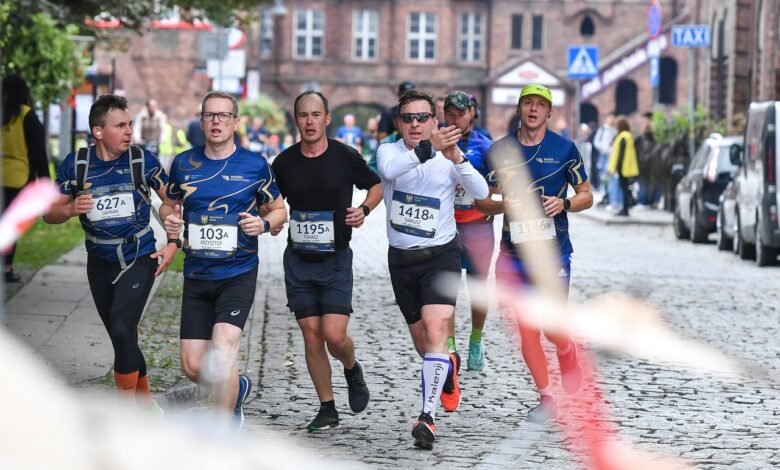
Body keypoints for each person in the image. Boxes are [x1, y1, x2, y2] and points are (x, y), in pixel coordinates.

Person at [161, 91, 287, 429]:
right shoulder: (184, 163)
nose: (216, 122)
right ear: (201, 121)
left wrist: (262, 223)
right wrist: (169, 221)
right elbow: (168, 206)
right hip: (198, 274)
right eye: (210, 115)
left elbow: (279, 211)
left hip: (238, 272)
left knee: (222, 350)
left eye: (223, 116)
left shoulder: (255, 165)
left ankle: (221, 441)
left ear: (235, 122)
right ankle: (236, 387)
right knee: (192, 365)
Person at [44, 94, 179, 409]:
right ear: (99, 132)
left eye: (130, 124)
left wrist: (173, 232)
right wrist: (69, 210)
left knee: (121, 328)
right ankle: (147, 410)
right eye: (121, 125)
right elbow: (48, 213)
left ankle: (127, 416)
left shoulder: (140, 160)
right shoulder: (76, 165)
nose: (129, 131)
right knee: (124, 337)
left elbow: (170, 200)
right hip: (99, 262)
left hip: (139, 256)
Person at [376, 90, 489, 449]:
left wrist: (456, 157)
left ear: (434, 121)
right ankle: (448, 367)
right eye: (408, 118)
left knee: (437, 326)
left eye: (422, 118)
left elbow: (481, 191)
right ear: (398, 122)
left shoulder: (447, 157)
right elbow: (391, 171)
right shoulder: (389, 152)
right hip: (402, 261)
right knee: (424, 346)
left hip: (441, 255)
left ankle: (427, 416)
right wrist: (430, 149)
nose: (414, 124)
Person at [272, 90, 382, 432]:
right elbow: (271, 202)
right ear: (296, 120)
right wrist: (271, 217)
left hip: (335, 258)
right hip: (299, 260)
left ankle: (352, 368)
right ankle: (327, 406)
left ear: (327, 118)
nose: (309, 121)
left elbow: (376, 186)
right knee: (310, 334)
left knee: (334, 335)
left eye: (315, 114)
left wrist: (363, 210)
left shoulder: (345, 157)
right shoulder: (284, 163)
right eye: (303, 115)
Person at [482, 84, 592, 423]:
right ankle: (547, 399)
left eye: (540, 105)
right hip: (513, 254)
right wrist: (502, 204)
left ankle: (566, 348)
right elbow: (481, 201)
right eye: (527, 103)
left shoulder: (565, 149)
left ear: (549, 113)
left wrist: (566, 202)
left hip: (553, 253)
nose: (533, 110)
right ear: (519, 109)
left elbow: (587, 194)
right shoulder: (499, 151)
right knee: (526, 327)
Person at [442, 90, 495, 371]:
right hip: (446, 228)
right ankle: (450, 349)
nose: (454, 119)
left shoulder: (485, 146)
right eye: (449, 113)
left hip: (478, 228)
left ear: (471, 113)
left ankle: (476, 340)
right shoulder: (435, 142)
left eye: (460, 113)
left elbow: (499, 189)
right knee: (446, 290)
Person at [1, 74, 50, 283]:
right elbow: (38, 152)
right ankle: (6, 269)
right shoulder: (26, 116)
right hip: (17, 178)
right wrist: (46, 180)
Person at [608, 116, 639, 216]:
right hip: (625, 167)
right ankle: (625, 209)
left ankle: (625, 209)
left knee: (624, 189)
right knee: (625, 188)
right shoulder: (627, 136)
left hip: (623, 167)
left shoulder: (623, 137)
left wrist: (617, 167)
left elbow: (620, 154)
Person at [592, 114, 616, 193]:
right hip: (603, 155)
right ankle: (604, 191)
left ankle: (609, 192)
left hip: (611, 155)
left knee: (610, 174)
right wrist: (603, 148)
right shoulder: (602, 129)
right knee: (602, 174)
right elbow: (596, 142)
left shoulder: (614, 130)